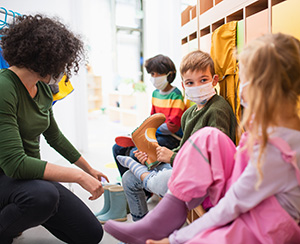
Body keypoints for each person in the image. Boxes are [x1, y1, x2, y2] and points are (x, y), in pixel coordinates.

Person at [104, 32, 300, 243]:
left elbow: (233, 203)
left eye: (244, 79)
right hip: (235, 188)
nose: (241, 87)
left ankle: (147, 181)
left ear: (261, 87)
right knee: (207, 136)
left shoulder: (277, 150)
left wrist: (173, 240)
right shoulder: (266, 126)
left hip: (261, 225)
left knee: (167, 187)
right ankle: (153, 208)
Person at [0, 15, 108, 244]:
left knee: (90, 234)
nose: (63, 68)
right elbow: (14, 164)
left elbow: (54, 136)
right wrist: (77, 176)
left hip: (29, 177)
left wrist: (88, 169)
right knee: (42, 197)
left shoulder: (43, 90)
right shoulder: (4, 88)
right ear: (47, 58)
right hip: (6, 176)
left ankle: (18, 214)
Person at [120, 50, 237, 221]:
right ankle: (142, 225)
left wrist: (173, 158)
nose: (197, 86)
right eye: (190, 82)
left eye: (203, 80)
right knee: (128, 178)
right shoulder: (189, 114)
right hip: (184, 167)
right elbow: (184, 148)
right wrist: (157, 157)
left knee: (160, 182)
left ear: (214, 80)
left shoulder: (218, 110)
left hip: (204, 177)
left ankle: (145, 174)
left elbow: (215, 160)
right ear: (183, 85)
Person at [112, 54, 185, 177]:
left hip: (172, 138)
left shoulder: (175, 94)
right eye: (152, 74)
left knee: (133, 154)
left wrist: (148, 132)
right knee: (117, 148)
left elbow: (172, 126)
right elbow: (151, 119)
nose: (154, 77)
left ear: (169, 74)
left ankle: (145, 190)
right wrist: (146, 131)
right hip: (155, 134)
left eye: (158, 74)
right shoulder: (155, 94)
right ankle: (126, 182)